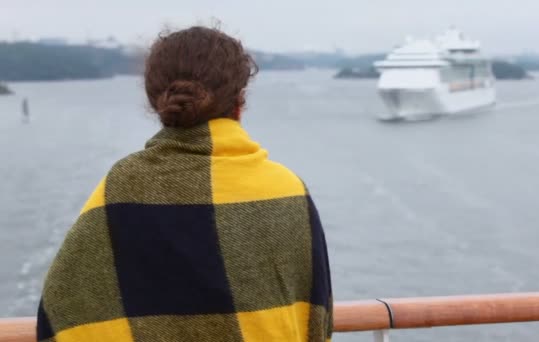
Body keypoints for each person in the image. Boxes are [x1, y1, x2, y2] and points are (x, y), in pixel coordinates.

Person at [36, 26, 332, 342]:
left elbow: (62, 312)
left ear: (156, 101)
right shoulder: (287, 189)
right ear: (239, 101)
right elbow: (316, 316)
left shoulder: (124, 185)